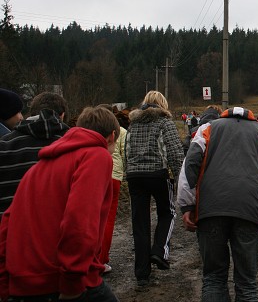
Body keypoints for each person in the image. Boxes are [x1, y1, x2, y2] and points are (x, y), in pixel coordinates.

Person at [0, 106, 121, 302]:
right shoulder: (96, 156)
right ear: (112, 136)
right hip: (62, 283)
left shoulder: (38, 168)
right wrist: (72, 283)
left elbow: (7, 223)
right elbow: (79, 222)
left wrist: (5, 285)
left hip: (23, 286)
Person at [177, 107, 258, 301]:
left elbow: (189, 167)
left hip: (211, 210)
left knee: (213, 278)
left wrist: (187, 206)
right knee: (247, 283)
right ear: (251, 116)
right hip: (249, 210)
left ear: (224, 115)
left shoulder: (208, 128)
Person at [124, 91, 184, 288]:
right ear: (162, 104)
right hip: (158, 173)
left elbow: (127, 149)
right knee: (167, 212)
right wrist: (179, 176)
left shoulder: (133, 123)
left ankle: (141, 272)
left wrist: (128, 172)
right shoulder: (164, 122)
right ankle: (159, 250)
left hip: (135, 176)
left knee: (139, 223)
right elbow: (174, 151)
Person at [0, 92, 69, 218]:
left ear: (32, 114)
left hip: (8, 229)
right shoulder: (73, 144)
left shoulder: (4, 145)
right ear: (62, 115)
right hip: (55, 228)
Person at [97, 105, 128, 275]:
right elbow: (125, 153)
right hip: (114, 176)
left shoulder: (92, 129)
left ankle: (90, 257)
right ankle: (102, 259)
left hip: (93, 173)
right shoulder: (121, 131)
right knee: (108, 219)